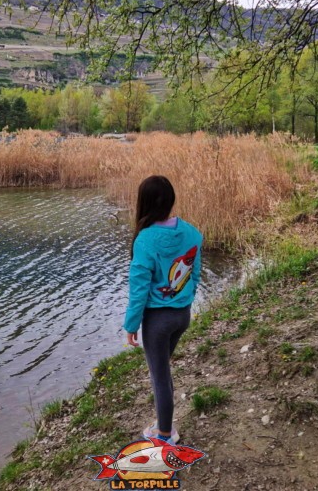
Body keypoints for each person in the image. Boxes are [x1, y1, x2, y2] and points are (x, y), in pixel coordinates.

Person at [123, 175, 203, 445]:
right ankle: (162, 423)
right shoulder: (191, 232)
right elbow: (195, 274)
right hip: (182, 315)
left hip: (157, 321)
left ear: (143, 203)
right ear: (170, 201)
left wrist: (131, 325)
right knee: (163, 370)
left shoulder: (144, 240)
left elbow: (139, 289)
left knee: (159, 377)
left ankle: (166, 436)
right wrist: (185, 301)